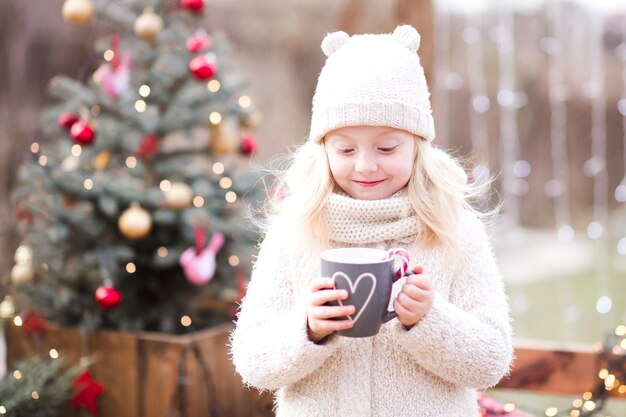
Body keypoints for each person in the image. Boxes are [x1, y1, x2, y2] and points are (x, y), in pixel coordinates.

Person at [230, 25, 513, 417]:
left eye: (386, 147)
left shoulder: (455, 230)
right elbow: (252, 362)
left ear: (417, 146)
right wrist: (308, 328)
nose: (365, 165)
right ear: (323, 149)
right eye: (345, 148)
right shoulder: (295, 231)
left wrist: (429, 320)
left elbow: (491, 361)